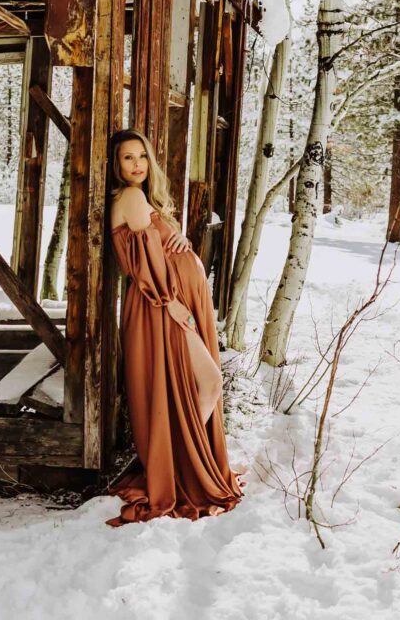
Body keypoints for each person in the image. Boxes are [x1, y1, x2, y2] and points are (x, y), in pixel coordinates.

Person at [105, 127, 246, 527]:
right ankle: (184, 469)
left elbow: (156, 248)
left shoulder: (140, 199)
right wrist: (172, 304)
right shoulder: (130, 197)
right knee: (209, 382)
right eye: (128, 158)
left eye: (142, 156)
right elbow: (146, 264)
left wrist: (179, 241)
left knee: (186, 388)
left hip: (166, 303)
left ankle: (182, 463)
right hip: (160, 306)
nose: (137, 164)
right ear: (117, 166)